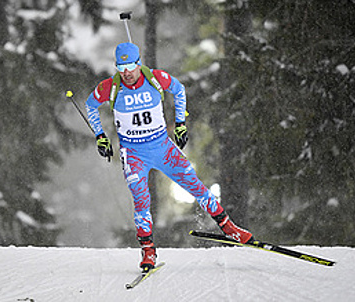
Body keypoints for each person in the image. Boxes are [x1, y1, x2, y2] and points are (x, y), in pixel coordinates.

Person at [85, 42, 253, 272]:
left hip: (163, 148)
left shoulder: (155, 78)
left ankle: (229, 228)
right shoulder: (111, 87)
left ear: (138, 63)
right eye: (121, 67)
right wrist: (100, 137)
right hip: (134, 154)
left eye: (130, 66)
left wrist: (181, 123)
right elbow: (90, 105)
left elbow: (179, 89)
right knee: (141, 201)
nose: (126, 72)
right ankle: (148, 252)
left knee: (195, 185)